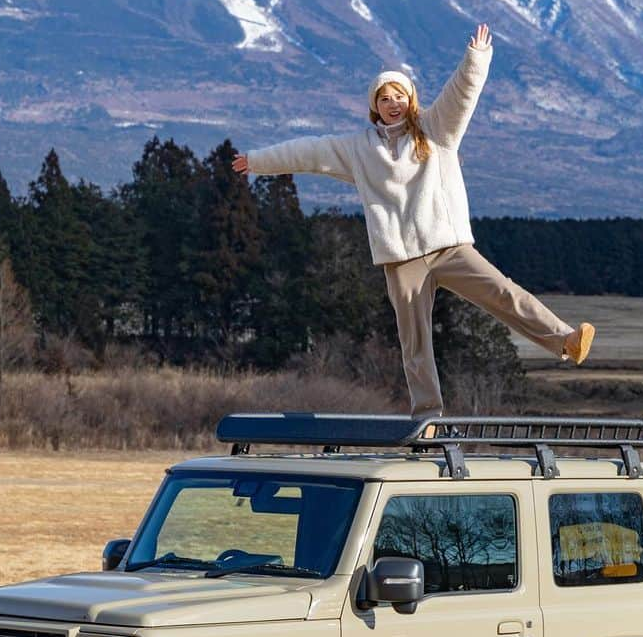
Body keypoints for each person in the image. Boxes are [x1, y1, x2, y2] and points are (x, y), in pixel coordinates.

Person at [232, 23, 594, 416]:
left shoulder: (437, 131)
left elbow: (461, 95)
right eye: (384, 98)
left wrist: (476, 59)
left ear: (411, 99)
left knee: (503, 293)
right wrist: (258, 162)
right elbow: (308, 152)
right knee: (414, 341)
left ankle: (565, 340)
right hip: (402, 260)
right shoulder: (358, 149)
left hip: (449, 247)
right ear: (375, 107)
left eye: (399, 95)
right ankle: (427, 415)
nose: (393, 103)